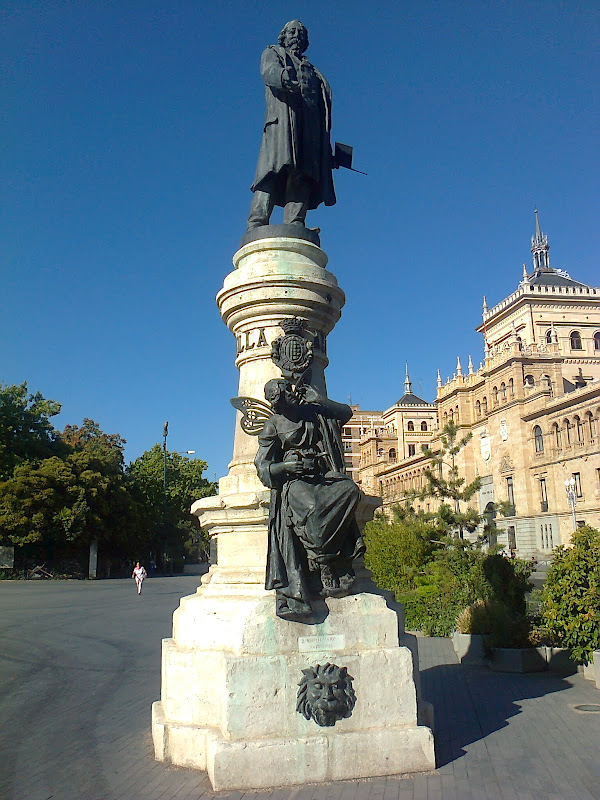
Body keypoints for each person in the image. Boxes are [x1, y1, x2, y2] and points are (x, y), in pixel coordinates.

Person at [254, 379, 364, 620]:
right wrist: (285, 466)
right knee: (313, 508)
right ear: (277, 402)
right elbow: (262, 465)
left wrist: (321, 400)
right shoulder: (273, 425)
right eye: (284, 395)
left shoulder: (312, 412)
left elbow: (345, 414)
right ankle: (322, 564)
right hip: (295, 481)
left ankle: (330, 558)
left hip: (322, 476)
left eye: (289, 392)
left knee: (349, 491)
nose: (291, 396)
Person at [247, 20, 336, 231]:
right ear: (284, 36)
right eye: (292, 31)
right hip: (284, 124)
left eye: (300, 32)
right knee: (272, 172)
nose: (296, 35)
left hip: (311, 129)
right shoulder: (274, 53)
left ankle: (295, 222)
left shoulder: (315, 73)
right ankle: (257, 222)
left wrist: (327, 149)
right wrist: (282, 76)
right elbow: (269, 71)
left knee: (303, 175)